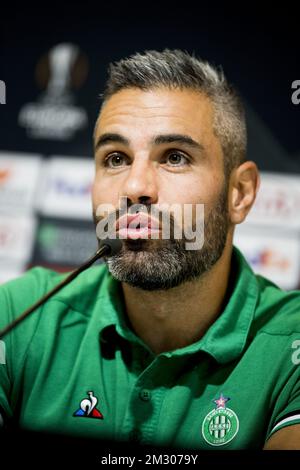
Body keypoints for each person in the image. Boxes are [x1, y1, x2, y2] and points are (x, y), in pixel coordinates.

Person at [0, 49, 300, 451]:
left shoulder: (290, 341)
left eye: (174, 157)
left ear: (239, 194)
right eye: (116, 158)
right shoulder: (20, 316)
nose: (134, 187)